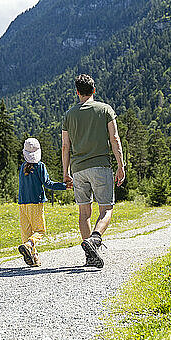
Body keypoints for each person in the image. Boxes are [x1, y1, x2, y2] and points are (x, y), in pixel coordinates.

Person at [61, 74, 125, 268]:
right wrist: (121, 165)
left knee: (84, 213)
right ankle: (95, 239)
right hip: (100, 166)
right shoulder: (105, 110)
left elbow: (65, 146)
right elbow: (114, 139)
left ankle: (91, 256)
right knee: (106, 208)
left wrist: (66, 172)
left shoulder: (69, 115)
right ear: (94, 90)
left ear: (77, 92)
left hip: (78, 170)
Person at [18, 137, 69, 266]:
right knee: (39, 230)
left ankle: (34, 257)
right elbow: (48, 184)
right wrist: (64, 186)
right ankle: (29, 246)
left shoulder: (23, 167)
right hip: (36, 202)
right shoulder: (40, 166)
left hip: (22, 203)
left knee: (27, 233)